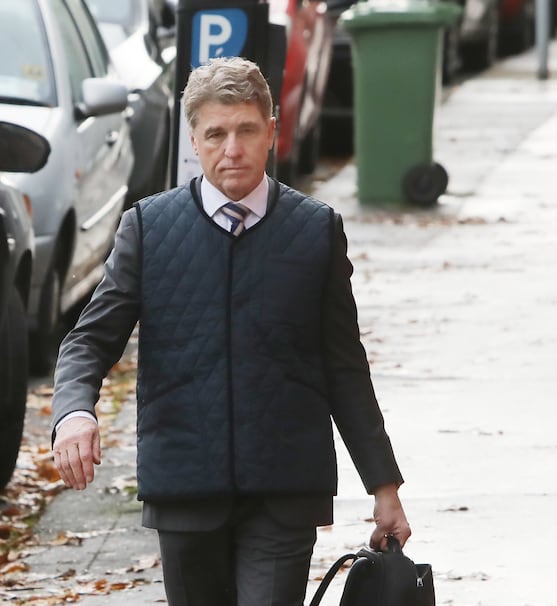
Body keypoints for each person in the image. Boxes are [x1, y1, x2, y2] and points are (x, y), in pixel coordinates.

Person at [50, 56, 410, 606]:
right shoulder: (148, 228)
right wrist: (75, 411)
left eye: (246, 130)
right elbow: (90, 339)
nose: (232, 150)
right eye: (215, 134)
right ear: (193, 139)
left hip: (284, 489)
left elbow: (344, 366)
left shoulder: (315, 231)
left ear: (271, 132)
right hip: (185, 487)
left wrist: (384, 488)